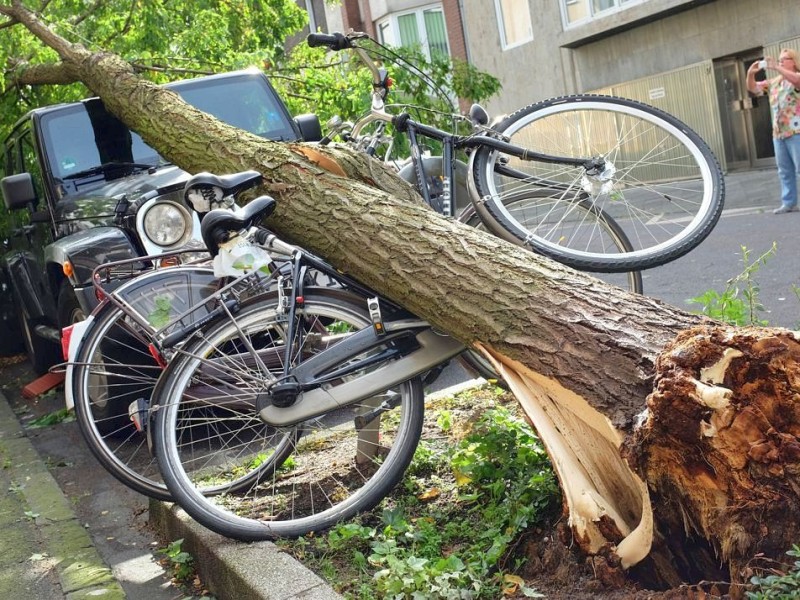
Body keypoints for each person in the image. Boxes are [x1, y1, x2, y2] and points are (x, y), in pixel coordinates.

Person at [747, 49, 800, 214]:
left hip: (797, 130)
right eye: (780, 59)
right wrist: (750, 74)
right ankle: (789, 202)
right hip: (779, 133)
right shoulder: (775, 82)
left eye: (785, 59)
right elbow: (754, 89)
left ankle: (790, 202)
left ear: (794, 61)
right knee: (784, 170)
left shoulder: (796, 77)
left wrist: (776, 67)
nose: (781, 61)